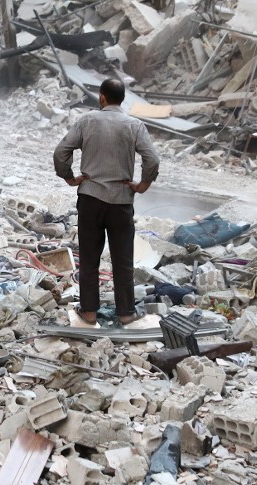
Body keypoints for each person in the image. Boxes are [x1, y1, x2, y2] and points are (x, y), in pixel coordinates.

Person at [53, 78, 160, 326]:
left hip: (90, 198)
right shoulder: (134, 125)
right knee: (123, 260)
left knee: (89, 258)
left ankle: (89, 313)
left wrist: (70, 177)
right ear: (122, 99)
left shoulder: (87, 120)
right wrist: (142, 185)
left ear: (102, 97)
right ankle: (126, 313)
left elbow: (61, 152)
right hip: (121, 201)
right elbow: (152, 159)